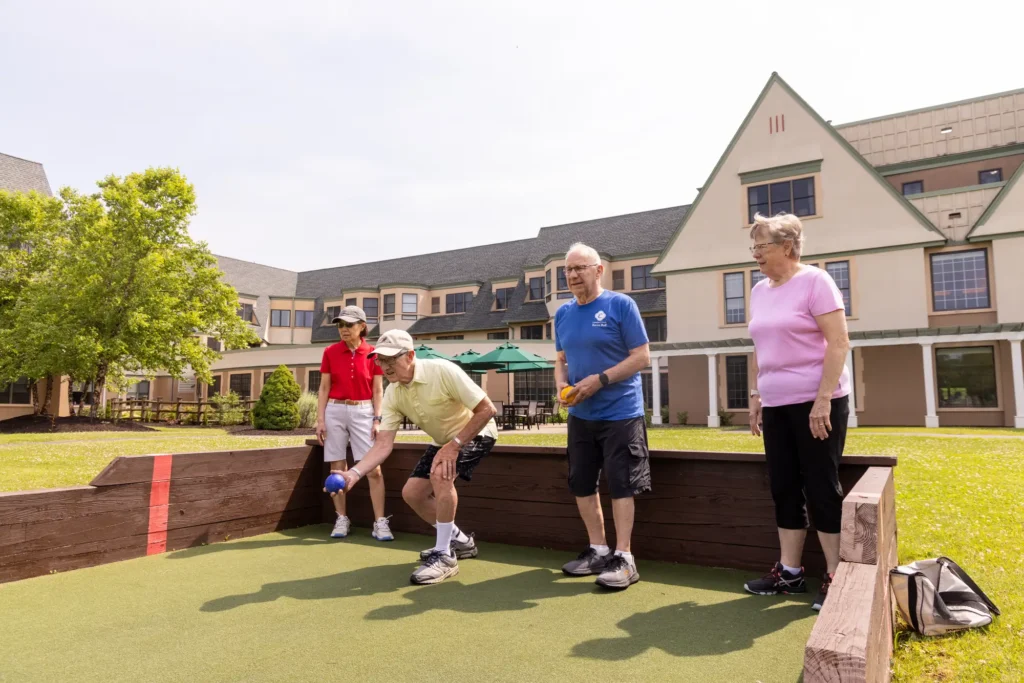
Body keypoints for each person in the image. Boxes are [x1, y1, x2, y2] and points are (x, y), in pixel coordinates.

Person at [742, 213, 852, 611]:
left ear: (787, 246)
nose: (755, 254)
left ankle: (836, 576)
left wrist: (823, 399)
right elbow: (760, 347)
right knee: (784, 485)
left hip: (817, 402)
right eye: (753, 247)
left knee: (821, 486)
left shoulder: (816, 281)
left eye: (761, 246)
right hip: (776, 402)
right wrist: (757, 395)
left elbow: (839, 342)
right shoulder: (759, 290)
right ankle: (790, 573)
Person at [338, 329, 499, 585]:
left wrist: (455, 445)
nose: (385, 366)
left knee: (440, 474)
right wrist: (353, 474)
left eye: (391, 359)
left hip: (476, 433)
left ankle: (445, 555)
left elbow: (487, 409)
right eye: (380, 360)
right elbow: (383, 445)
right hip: (443, 441)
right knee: (412, 493)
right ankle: (462, 543)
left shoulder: (443, 371)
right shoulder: (393, 393)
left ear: (410, 356)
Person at [554, 242, 652, 590]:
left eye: (579, 268)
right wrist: (562, 385)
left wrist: (602, 379)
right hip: (581, 414)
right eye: (567, 269)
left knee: (621, 483)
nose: (572, 275)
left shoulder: (621, 305)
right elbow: (561, 359)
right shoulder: (563, 314)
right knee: (582, 482)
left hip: (621, 412)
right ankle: (597, 550)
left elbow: (642, 357)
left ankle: (624, 558)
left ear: (599, 270)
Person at [315, 305, 393, 542]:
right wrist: (320, 419)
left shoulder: (373, 353)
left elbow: (378, 389)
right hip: (335, 410)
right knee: (336, 468)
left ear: (362, 327)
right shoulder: (330, 352)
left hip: (364, 410)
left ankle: (380, 522)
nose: (344, 329)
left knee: (374, 469)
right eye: (340, 325)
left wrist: (378, 418)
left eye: (349, 325)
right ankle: (341, 518)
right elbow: (324, 387)